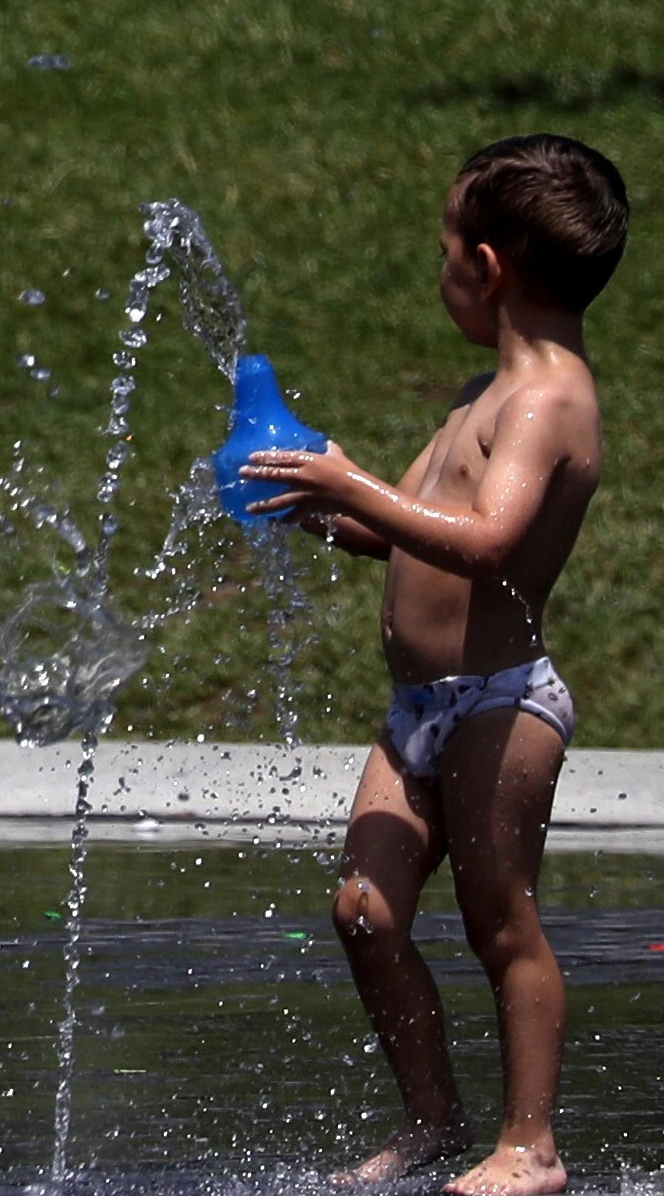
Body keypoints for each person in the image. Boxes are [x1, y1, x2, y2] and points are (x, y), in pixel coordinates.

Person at [242, 133, 627, 1196]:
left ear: (488, 265)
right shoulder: (480, 390)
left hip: (503, 707)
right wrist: (316, 508)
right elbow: (415, 531)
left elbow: (493, 539)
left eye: (445, 247)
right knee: (364, 909)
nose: (440, 269)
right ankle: (432, 1119)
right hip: (417, 707)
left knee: (502, 919)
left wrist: (354, 479)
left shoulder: (547, 399)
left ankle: (531, 1146)